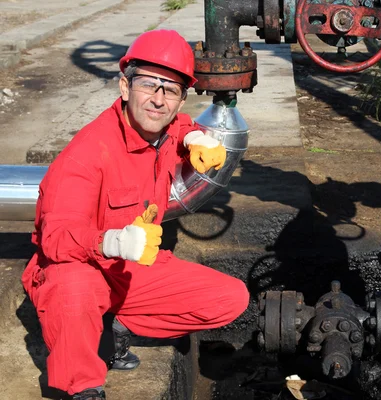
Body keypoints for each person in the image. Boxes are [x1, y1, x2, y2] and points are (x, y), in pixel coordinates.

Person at [21, 29, 249, 400]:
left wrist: (193, 137)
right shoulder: (87, 154)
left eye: (171, 89)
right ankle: (84, 387)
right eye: (150, 85)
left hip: (130, 270)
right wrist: (110, 240)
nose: (159, 99)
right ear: (125, 87)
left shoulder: (160, 130)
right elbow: (56, 238)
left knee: (231, 298)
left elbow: (175, 127)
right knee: (74, 287)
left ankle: (113, 324)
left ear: (180, 99)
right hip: (80, 265)